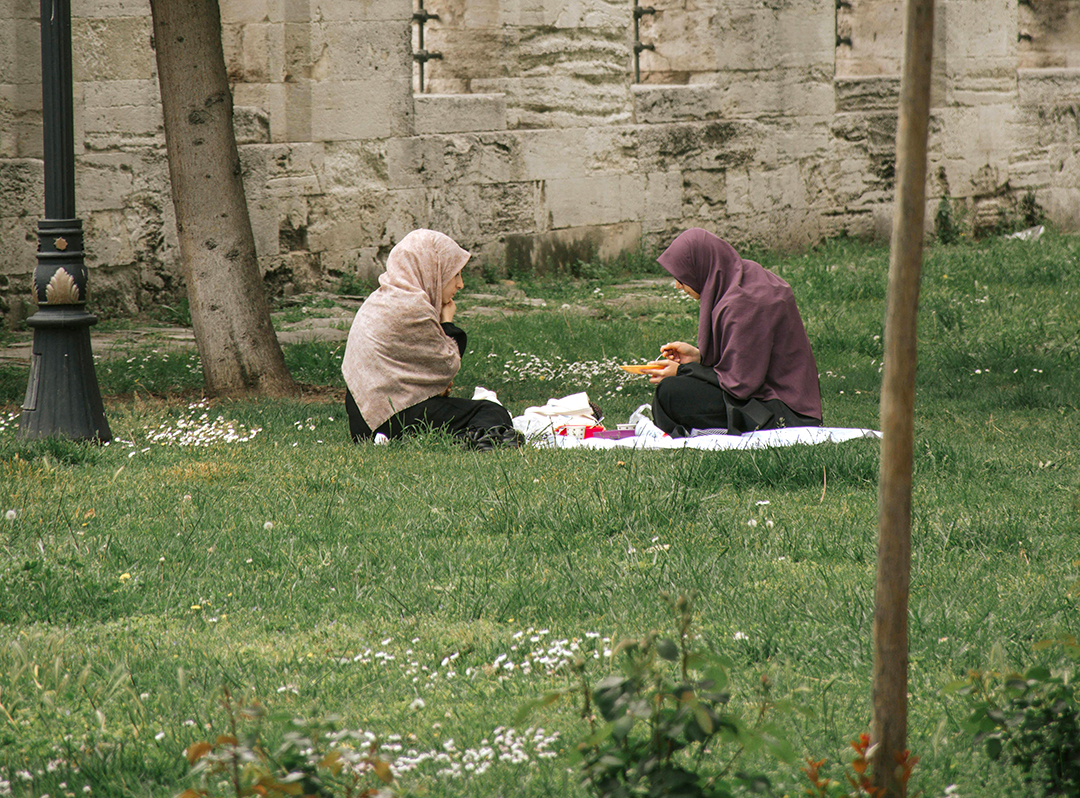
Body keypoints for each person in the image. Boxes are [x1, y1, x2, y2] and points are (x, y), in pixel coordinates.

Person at [341, 229, 521, 450]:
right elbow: (446, 365)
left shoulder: (379, 301)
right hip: (391, 420)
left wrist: (433, 387)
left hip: (365, 423)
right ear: (433, 271)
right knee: (491, 411)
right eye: (455, 274)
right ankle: (482, 443)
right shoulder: (413, 307)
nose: (460, 284)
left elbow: (413, 370)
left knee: (462, 411)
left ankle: (456, 439)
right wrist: (447, 323)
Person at [643, 228, 823, 436]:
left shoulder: (746, 302)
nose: (678, 286)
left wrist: (683, 370)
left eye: (681, 278)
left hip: (782, 414)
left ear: (700, 269)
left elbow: (739, 384)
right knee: (676, 390)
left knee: (670, 393)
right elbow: (746, 361)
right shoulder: (744, 277)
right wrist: (698, 358)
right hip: (778, 401)